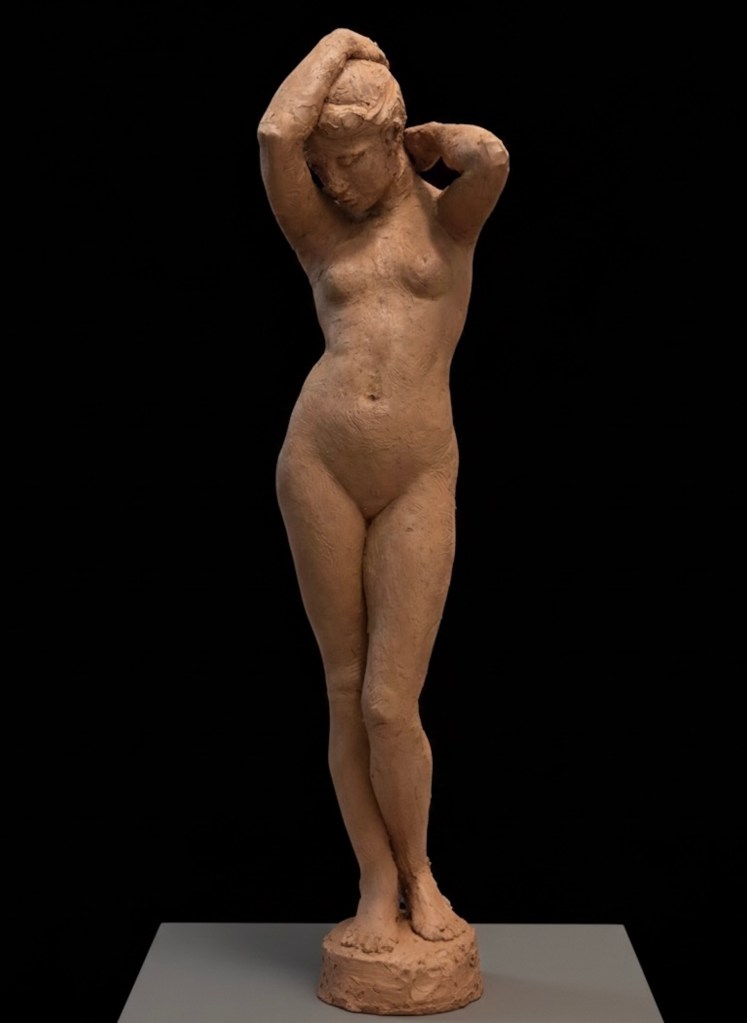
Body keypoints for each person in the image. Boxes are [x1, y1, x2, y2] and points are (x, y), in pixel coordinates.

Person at [258, 28, 508, 955]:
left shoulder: (447, 221)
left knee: (389, 701)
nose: (331, 182)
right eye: (322, 167)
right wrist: (337, 43)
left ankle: (420, 871)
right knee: (341, 686)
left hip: (416, 472)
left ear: (395, 142)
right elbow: (274, 136)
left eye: (349, 159)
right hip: (318, 461)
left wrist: (440, 141)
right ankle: (373, 881)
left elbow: (492, 158)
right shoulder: (317, 229)